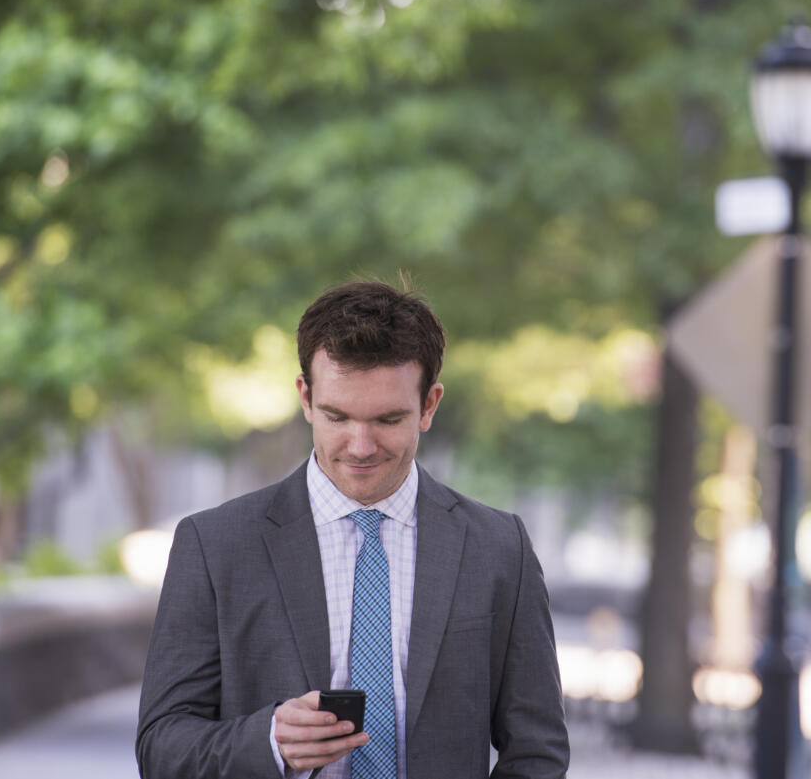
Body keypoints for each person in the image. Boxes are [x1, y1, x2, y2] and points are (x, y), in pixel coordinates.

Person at [136, 281, 569, 779]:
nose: (360, 446)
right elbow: (160, 747)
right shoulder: (215, 547)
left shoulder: (499, 549)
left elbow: (538, 752)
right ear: (305, 397)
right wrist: (268, 742)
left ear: (429, 405)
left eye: (388, 419)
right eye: (337, 416)